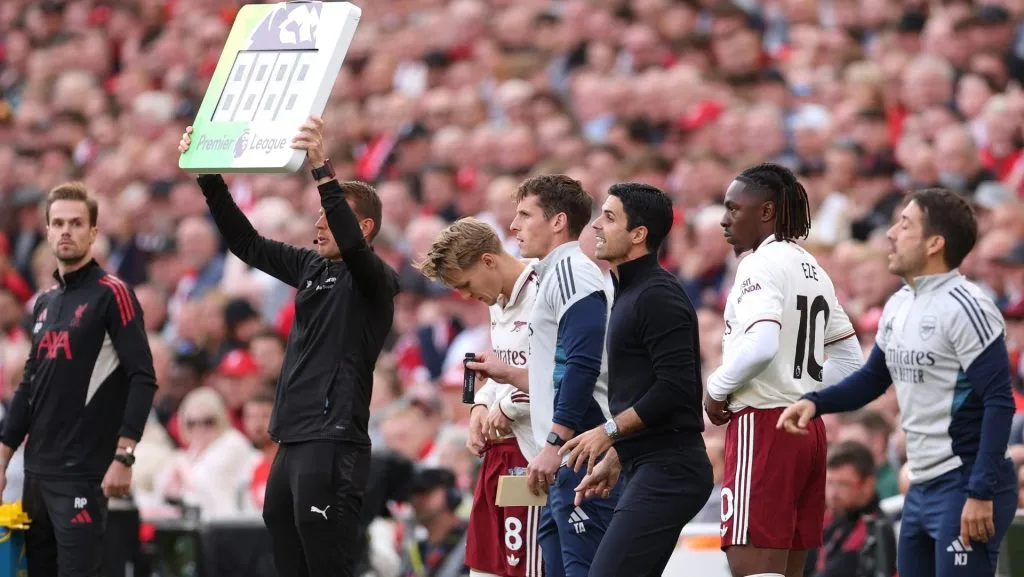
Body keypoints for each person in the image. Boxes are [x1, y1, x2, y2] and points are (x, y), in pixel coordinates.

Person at [177, 117, 401, 577]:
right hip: (293, 435)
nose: (319, 222)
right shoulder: (310, 268)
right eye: (318, 215)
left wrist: (322, 170)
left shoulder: (374, 280)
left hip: (333, 437)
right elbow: (246, 243)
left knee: (327, 561)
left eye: (330, 215)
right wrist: (208, 177)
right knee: (285, 547)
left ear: (365, 226)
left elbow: (357, 251)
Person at [778, 188, 1019, 577]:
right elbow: (873, 379)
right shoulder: (899, 304)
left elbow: (999, 401)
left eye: (905, 224)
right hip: (921, 484)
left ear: (935, 243)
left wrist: (981, 492)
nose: (891, 233)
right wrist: (815, 403)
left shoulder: (968, 306)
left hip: (965, 482)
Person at [703, 163, 864, 577]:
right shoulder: (813, 268)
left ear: (767, 211)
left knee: (752, 568)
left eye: (734, 208)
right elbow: (851, 363)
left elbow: (761, 343)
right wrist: (804, 392)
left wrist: (717, 387)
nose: (725, 219)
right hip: (807, 430)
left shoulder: (759, 264)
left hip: (765, 425)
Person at [0, 182, 158, 576]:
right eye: (58, 223)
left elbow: (143, 376)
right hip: (37, 473)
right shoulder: (46, 302)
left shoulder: (113, 293)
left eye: (75, 222)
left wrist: (124, 454)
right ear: (47, 231)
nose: (66, 230)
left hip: (83, 473)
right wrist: (2, 457)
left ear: (92, 232)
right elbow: (29, 385)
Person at [466, 175, 621, 577]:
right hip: (567, 454)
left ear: (558, 222)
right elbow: (552, 373)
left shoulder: (572, 272)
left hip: (582, 452)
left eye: (524, 214)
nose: (513, 226)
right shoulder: (554, 273)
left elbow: (581, 366)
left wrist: (555, 442)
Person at [560, 183, 713, 577]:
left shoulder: (658, 295)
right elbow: (645, 389)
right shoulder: (630, 292)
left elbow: (676, 388)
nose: (596, 225)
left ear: (638, 234)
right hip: (644, 463)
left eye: (609, 217)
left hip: (672, 470)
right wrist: (618, 454)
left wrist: (608, 432)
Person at [418, 216, 543, 577]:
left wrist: (506, 405)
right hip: (498, 455)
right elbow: (508, 368)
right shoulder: (498, 301)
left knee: (525, 570)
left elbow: (567, 376)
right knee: (485, 571)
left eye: (466, 284)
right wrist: (483, 403)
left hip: (534, 455)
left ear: (488, 260)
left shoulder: (546, 293)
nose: (465, 296)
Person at [808, 441, 897, 577]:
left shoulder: (873, 529)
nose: (833, 493)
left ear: (868, 484)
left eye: (843, 484)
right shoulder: (826, 518)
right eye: (829, 483)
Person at [400, 467, 470, 577]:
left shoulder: (472, 540)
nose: (416, 499)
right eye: (414, 493)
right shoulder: (419, 548)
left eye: (425, 492)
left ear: (450, 495)